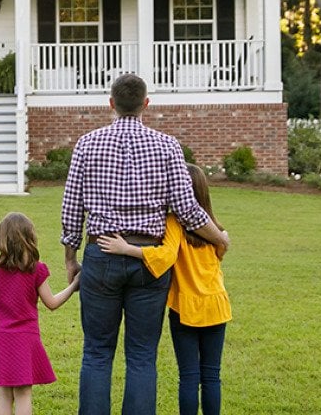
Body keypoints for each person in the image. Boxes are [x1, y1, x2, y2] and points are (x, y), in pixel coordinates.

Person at [60, 73, 230, 415]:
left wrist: (71, 258)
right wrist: (220, 237)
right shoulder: (167, 147)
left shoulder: (87, 144)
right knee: (141, 356)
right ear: (146, 105)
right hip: (149, 260)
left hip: (102, 252)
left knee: (96, 352)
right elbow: (188, 210)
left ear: (111, 104)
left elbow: (71, 207)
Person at [98, 164, 231, 415]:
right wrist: (224, 239)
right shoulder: (215, 228)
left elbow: (166, 256)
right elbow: (222, 249)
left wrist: (127, 249)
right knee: (212, 376)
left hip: (186, 310)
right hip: (217, 307)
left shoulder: (174, 222)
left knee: (189, 376)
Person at [0, 212, 80, 415]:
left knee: (3, 394)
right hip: (26, 340)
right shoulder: (36, 269)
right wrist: (74, 285)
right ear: (30, 239)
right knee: (24, 394)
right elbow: (52, 303)